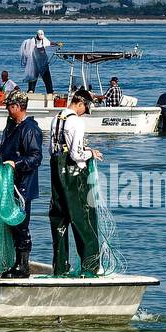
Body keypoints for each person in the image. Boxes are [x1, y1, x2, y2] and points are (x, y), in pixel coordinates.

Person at [49, 88, 105, 276]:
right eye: (85, 108)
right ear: (79, 103)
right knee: (83, 217)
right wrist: (91, 153)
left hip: (56, 171)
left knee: (59, 218)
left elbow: (53, 148)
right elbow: (76, 154)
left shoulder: (56, 118)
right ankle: (91, 265)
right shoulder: (76, 122)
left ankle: (60, 266)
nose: (84, 113)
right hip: (73, 173)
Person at [0, 90, 44, 278]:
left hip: (22, 186)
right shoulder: (12, 126)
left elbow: (36, 157)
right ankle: (15, 262)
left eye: (9, 105)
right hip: (9, 183)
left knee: (20, 224)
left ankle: (23, 266)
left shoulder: (29, 129)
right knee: (9, 224)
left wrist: (16, 163)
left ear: (17, 107)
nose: (7, 108)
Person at [20, 29, 62, 93]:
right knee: (33, 76)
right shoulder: (32, 41)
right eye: (39, 38)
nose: (40, 39)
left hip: (43, 63)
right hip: (35, 63)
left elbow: (49, 43)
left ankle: (50, 91)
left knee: (47, 77)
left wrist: (57, 44)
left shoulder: (44, 39)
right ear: (37, 35)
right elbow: (28, 52)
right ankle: (31, 90)